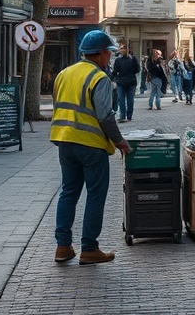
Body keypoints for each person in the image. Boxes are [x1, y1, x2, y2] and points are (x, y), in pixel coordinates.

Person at [50, 29, 131, 265]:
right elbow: (105, 116)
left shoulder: (63, 74)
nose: (111, 58)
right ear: (102, 53)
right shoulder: (99, 78)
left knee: (68, 192)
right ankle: (89, 247)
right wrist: (120, 142)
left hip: (64, 141)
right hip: (90, 145)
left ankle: (63, 247)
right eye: (110, 53)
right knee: (96, 195)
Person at [111, 43, 139, 122]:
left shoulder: (133, 59)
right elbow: (115, 71)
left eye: (124, 48)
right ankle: (122, 116)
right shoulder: (118, 60)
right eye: (121, 48)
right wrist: (111, 79)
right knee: (121, 100)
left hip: (131, 82)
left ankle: (129, 116)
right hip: (121, 82)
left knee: (130, 100)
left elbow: (137, 69)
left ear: (128, 49)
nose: (122, 50)